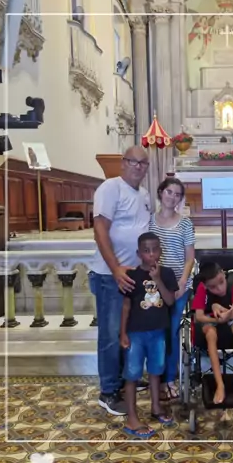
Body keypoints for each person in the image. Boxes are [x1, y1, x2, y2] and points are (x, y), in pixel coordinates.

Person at [89, 145, 150, 416]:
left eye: (143, 163)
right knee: (111, 335)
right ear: (123, 163)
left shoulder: (144, 194)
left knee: (129, 331)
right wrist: (115, 269)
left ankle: (127, 380)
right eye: (133, 162)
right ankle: (108, 391)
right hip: (109, 275)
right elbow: (100, 230)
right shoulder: (110, 188)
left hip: (134, 275)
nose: (138, 167)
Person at [120, 232, 178, 437]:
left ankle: (156, 407)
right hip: (135, 333)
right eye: (146, 250)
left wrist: (157, 279)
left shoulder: (167, 273)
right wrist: (122, 333)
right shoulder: (132, 276)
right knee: (132, 374)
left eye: (155, 250)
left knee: (155, 371)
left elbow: (170, 301)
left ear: (160, 251)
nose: (151, 254)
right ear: (139, 253)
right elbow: (126, 306)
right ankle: (132, 417)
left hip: (158, 332)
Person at [149, 177, 195, 400]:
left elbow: (189, 258)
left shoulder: (185, 223)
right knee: (155, 332)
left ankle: (169, 378)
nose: (172, 197)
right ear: (160, 192)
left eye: (177, 194)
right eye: (169, 192)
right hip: (154, 286)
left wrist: (182, 283)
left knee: (172, 331)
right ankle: (155, 379)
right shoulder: (149, 221)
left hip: (178, 286)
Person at [191, 261, 233, 405]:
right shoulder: (202, 289)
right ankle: (220, 385)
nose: (219, 289)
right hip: (211, 322)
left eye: (221, 282)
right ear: (206, 286)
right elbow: (199, 316)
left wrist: (223, 312)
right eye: (213, 287)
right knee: (211, 334)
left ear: (223, 273)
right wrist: (216, 318)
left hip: (231, 320)